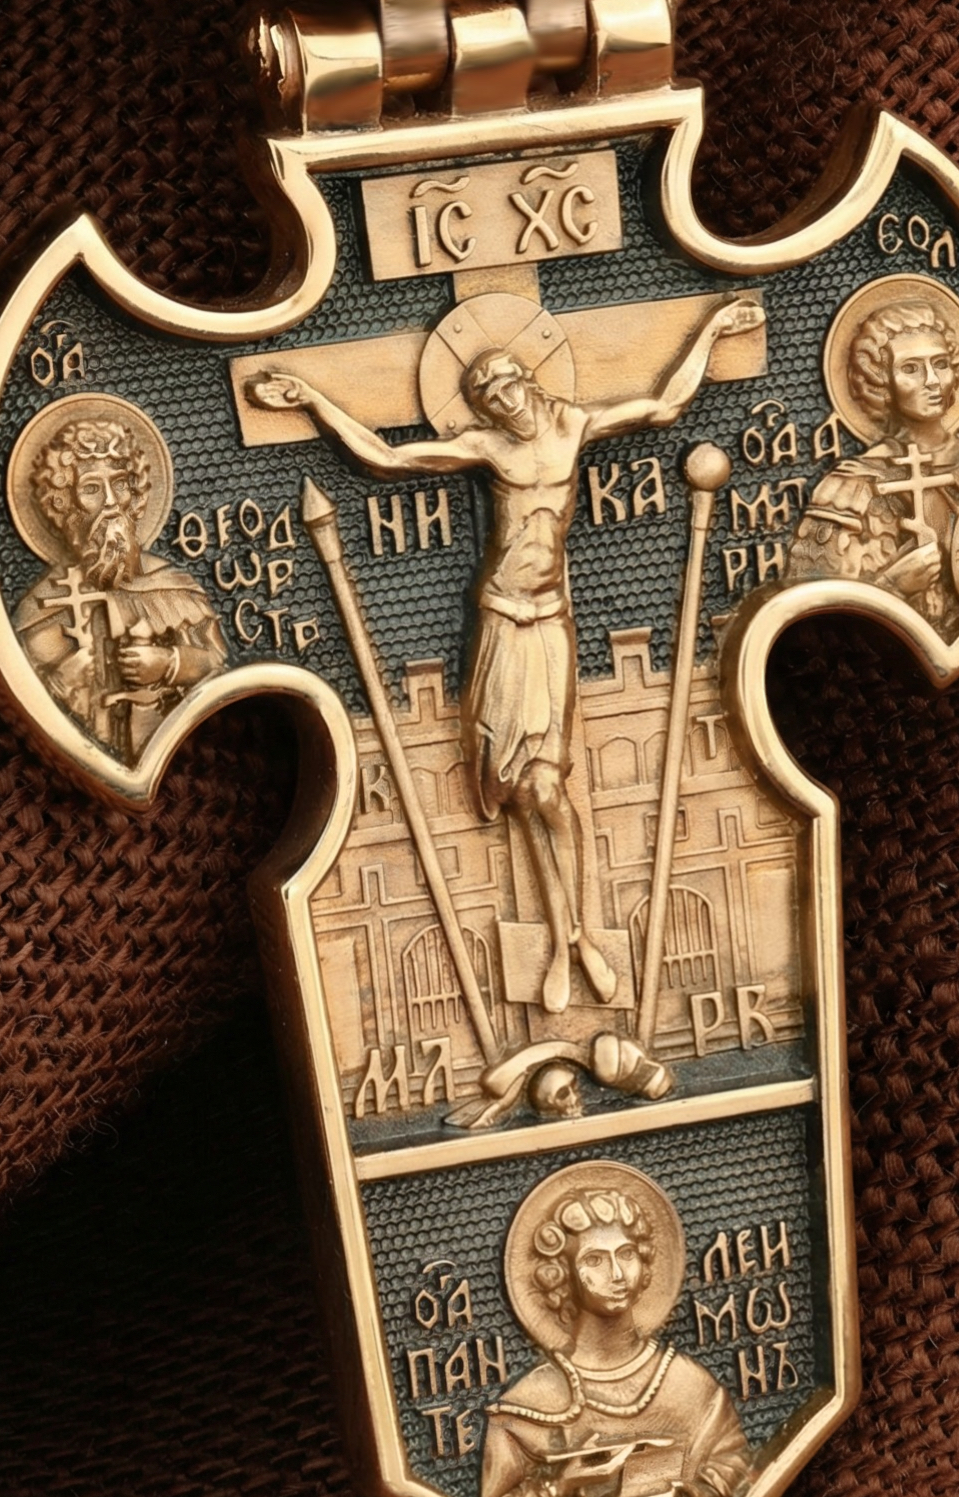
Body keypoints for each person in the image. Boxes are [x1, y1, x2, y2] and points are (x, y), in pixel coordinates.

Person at [251, 296, 762, 1011]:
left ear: (528, 376)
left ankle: (575, 937)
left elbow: (665, 405)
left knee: (548, 789)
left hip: (549, 622)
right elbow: (386, 457)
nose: (497, 395)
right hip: (501, 621)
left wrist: (711, 329)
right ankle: (566, 941)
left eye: (502, 379)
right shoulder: (488, 449)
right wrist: (312, 401)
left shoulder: (575, 424)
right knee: (520, 790)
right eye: (482, 392)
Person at [481, 1186, 752, 1497]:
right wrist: (562, 1487)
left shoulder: (691, 1384)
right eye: (594, 1259)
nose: (617, 1274)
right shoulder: (525, 1406)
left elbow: (733, 1460)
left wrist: (702, 1495)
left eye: (626, 1254)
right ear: (562, 1274)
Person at [788, 299, 959, 634]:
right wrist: (894, 584)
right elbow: (814, 611)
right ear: (880, 382)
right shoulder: (850, 486)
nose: (932, 380)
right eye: (911, 369)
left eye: (941, 364)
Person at [14, 416, 227, 760]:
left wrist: (170, 663)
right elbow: (24, 689)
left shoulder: (175, 587)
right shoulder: (41, 606)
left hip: (191, 750)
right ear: (64, 502)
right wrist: (64, 679)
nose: (112, 501)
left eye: (121, 483)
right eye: (92, 489)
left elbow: (218, 661)